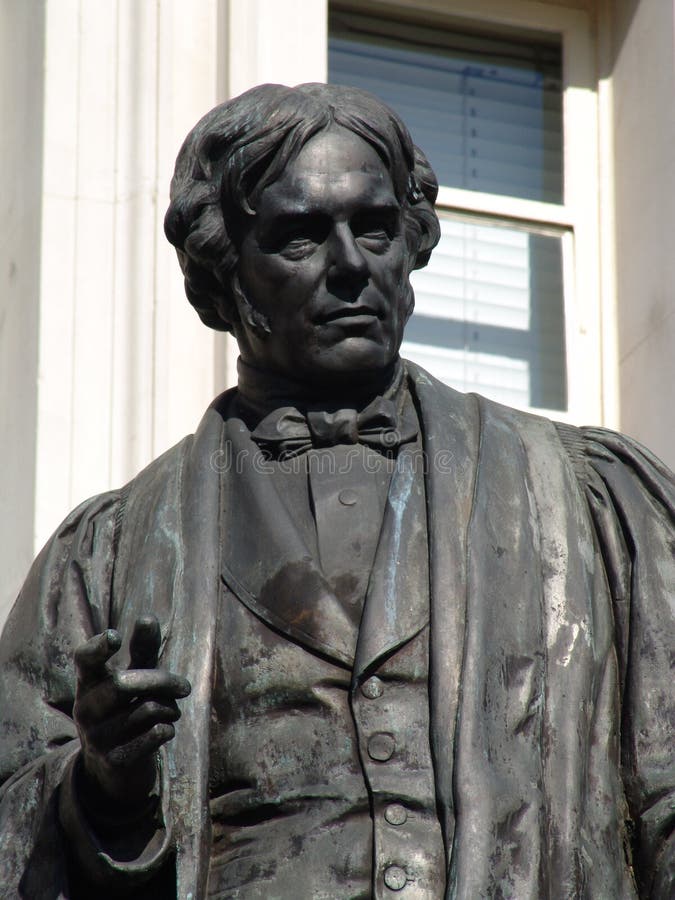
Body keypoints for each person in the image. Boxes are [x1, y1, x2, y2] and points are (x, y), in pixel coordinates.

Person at [0, 83, 673, 899]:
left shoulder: (588, 502)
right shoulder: (106, 556)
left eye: (376, 228)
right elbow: (12, 827)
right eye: (299, 237)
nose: (351, 265)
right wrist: (100, 792)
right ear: (225, 271)